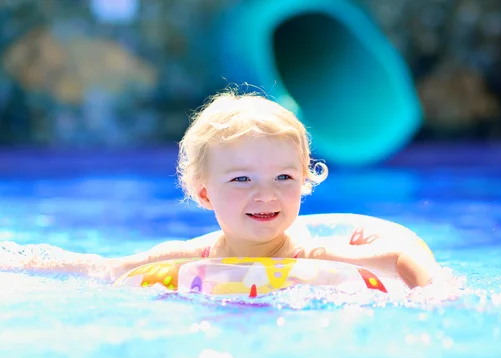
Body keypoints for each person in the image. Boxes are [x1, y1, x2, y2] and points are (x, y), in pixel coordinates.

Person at [4, 88, 441, 289]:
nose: (265, 194)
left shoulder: (313, 255)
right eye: (241, 179)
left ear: (304, 182)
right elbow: (108, 267)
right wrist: (21, 266)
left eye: (284, 178)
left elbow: (405, 257)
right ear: (204, 193)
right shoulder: (195, 255)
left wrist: (437, 298)